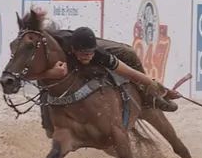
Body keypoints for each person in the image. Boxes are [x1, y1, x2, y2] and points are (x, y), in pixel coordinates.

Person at [39, 25, 178, 131]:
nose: (87, 56)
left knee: (128, 52)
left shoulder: (100, 55)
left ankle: (147, 96)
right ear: (73, 50)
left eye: (89, 54)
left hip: (81, 41)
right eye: (83, 54)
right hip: (62, 41)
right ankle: (47, 122)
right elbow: (31, 72)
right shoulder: (58, 52)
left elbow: (130, 73)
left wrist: (161, 89)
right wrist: (49, 74)